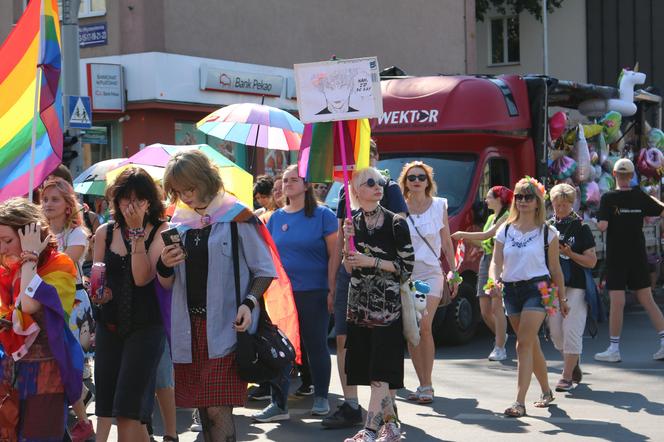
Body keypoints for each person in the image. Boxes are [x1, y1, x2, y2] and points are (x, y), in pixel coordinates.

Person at [158, 150, 278, 441]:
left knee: (216, 410)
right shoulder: (178, 223)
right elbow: (165, 283)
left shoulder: (238, 217)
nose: (184, 196)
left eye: (189, 187)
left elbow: (264, 270)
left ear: (205, 180)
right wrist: (164, 263)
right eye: (177, 190)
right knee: (203, 412)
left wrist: (249, 304)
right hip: (190, 331)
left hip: (228, 328)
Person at [323, 140, 408, 429]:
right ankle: (352, 405)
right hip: (354, 284)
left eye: (368, 154)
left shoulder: (390, 190)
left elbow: (400, 247)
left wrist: (371, 261)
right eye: (358, 153)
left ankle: (387, 413)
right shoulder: (347, 192)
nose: (375, 185)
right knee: (347, 341)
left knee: (382, 350)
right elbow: (341, 248)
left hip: (384, 289)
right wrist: (334, 281)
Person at [255, 164, 337, 422]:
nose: (287, 184)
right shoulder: (275, 218)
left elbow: (335, 254)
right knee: (279, 348)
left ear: (306, 184)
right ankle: (278, 404)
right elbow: (268, 257)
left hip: (314, 291)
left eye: (293, 180)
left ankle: (321, 396)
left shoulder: (324, 215)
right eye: (285, 180)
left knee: (315, 345)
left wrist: (332, 288)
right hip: (282, 296)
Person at [92, 167, 168, 441]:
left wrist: (136, 233)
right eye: (124, 198)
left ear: (150, 201)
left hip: (146, 326)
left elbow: (141, 278)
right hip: (109, 325)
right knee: (110, 406)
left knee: (128, 410)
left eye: (137, 199)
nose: (130, 205)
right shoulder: (105, 231)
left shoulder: (161, 230)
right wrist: (99, 293)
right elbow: (98, 275)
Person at [0, 198, 83, 441]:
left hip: (47, 376)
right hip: (10, 375)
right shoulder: (8, 271)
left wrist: (30, 257)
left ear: (32, 235)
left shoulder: (60, 266)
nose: (2, 249)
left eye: (7, 240)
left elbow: (29, 304)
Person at [342, 167, 414, 442]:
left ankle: (369, 430)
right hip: (359, 307)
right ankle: (392, 427)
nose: (377, 186)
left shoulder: (396, 222)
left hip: (386, 309)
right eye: (369, 182)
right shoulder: (352, 223)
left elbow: (407, 267)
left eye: (380, 182)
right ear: (356, 190)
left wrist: (372, 261)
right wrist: (348, 248)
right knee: (371, 370)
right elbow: (348, 270)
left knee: (380, 373)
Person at [489, 177, 567, 417]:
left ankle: (519, 402)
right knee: (530, 344)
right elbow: (495, 261)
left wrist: (562, 299)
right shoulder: (506, 229)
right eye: (519, 197)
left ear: (537, 202)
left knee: (522, 342)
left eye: (528, 197)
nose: (523, 201)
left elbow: (555, 269)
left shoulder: (548, 232)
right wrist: (494, 280)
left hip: (539, 288)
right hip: (511, 290)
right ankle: (546, 391)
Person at [398, 161, 458, 404]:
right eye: (411, 177)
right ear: (405, 182)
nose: (416, 181)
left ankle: (428, 384)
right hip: (407, 275)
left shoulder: (439, 205)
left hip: (432, 273)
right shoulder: (399, 208)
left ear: (428, 181)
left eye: (421, 177)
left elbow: (446, 242)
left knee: (424, 325)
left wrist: (454, 271)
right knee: (412, 329)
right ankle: (421, 382)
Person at [40, 177, 96, 441]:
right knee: (53, 361)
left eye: (55, 199)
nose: (48, 204)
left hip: (72, 301)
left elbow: (62, 263)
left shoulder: (77, 234)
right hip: (46, 301)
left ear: (67, 205)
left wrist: (38, 248)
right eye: (45, 199)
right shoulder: (37, 230)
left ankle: (80, 407)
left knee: (67, 360)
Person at [594, 159, 664, 362]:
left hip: (617, 257)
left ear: (614, 174)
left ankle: (614, 349)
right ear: (632, 175)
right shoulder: (639, 196)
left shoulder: (608, 198)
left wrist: (599, 219)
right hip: (638, 255)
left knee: (617, 301)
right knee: (647, 299)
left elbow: (602, 227)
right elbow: (660, 209)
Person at [452, 186, 512, 361]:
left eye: (489, 198)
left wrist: (463, 232)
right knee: (484, 310)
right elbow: (484, 243)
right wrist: (467, 238)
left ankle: (499, 345)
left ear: (499, 199)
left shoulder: (506, 217)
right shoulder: (491, 218)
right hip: (486, 260)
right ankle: (502, 335)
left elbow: (488, 236)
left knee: (496, 305)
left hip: (499, 261)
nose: (485, 201)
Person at [548, 183, 598, 392]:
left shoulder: (581, 227)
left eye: (564, 204)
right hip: (552, 288)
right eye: (556, 204)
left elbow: (591, 261)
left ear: (572, 203)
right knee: (556, 334)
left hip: (576, 285)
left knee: (571, 331)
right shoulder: (547, 226)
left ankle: (566, 376)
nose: (560, 208)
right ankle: (573, 360)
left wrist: (570, 255)